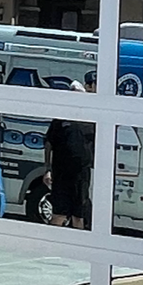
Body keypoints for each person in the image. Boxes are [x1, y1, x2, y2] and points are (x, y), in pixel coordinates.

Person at [43, 98, 94, 229]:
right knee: (59, 214)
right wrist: (47, 169)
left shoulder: (92, 120)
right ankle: (53, 244)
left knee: (79, 215)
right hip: (61, 174)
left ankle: (78, 246)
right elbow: (49, 143)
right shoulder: (60, 120)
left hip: (82, 175)